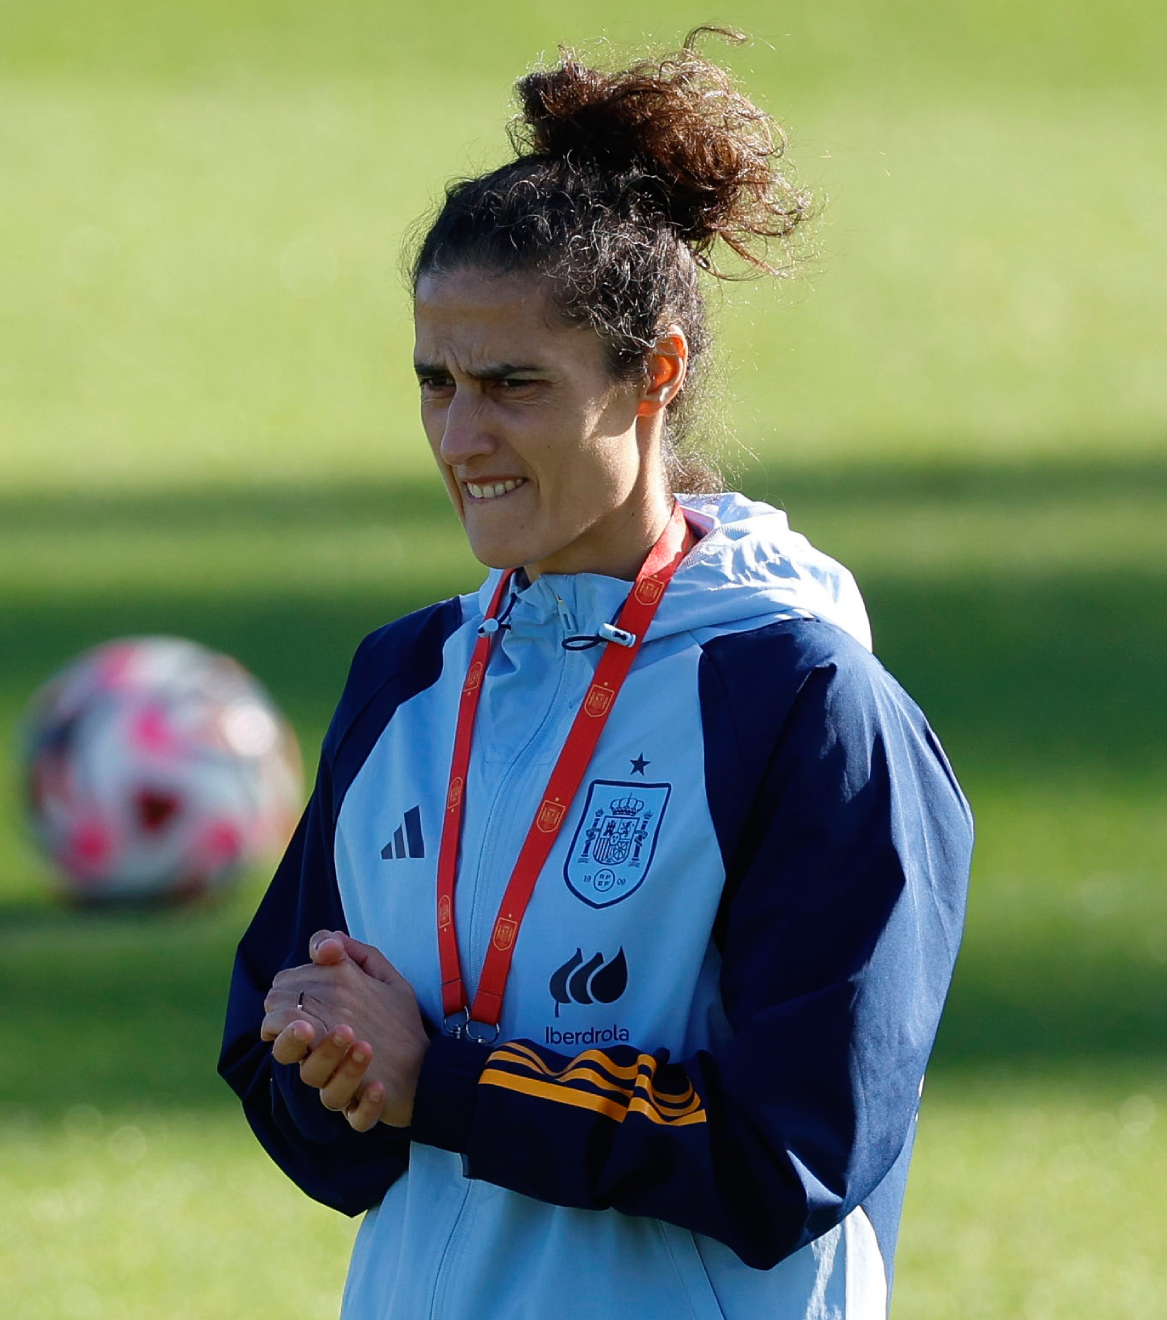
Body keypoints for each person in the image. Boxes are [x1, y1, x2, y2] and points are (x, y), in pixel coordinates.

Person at [219, 30, 972, 1319]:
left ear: (655, 375)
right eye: (435, 383)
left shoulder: (804, 704)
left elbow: (792, 1148)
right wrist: (321, 1060)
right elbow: (294, 1079)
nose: (462, 438)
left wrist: (443, 1080)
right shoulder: (407, 677)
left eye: (514, 385)